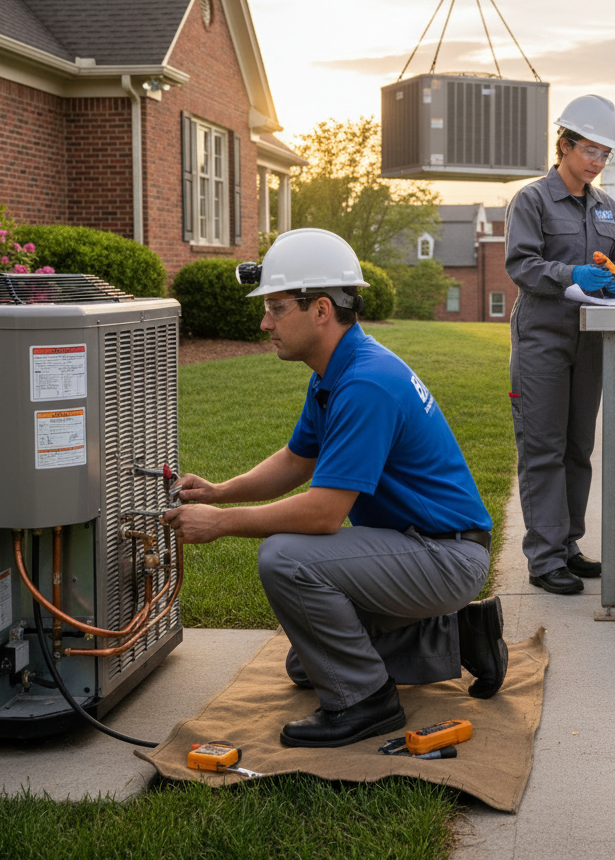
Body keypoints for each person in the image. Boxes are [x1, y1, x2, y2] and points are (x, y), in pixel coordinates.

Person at [164, 228, 507, 749]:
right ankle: (462, 637)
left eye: (277, 308)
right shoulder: (338, 370)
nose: (264, 322)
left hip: (444, 554)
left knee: (285, 560)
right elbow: (298, 459)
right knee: (308, 662)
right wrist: (218, 492)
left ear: (321, 309)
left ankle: (366, 703)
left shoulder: (366, 383)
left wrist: (221, 524)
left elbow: (324, 514)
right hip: (426, 546)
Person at [505, 94, 615, 595]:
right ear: (564, 144)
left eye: (605, 155)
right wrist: (569, 274)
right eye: (591, 151)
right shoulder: (532, 200)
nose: (598, 163)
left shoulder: (607, 206)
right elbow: (521, 265)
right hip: (542, 337)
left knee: (579, 448)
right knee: (543, 447)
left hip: (590, 339)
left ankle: (569, 546)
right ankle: (543, 557)